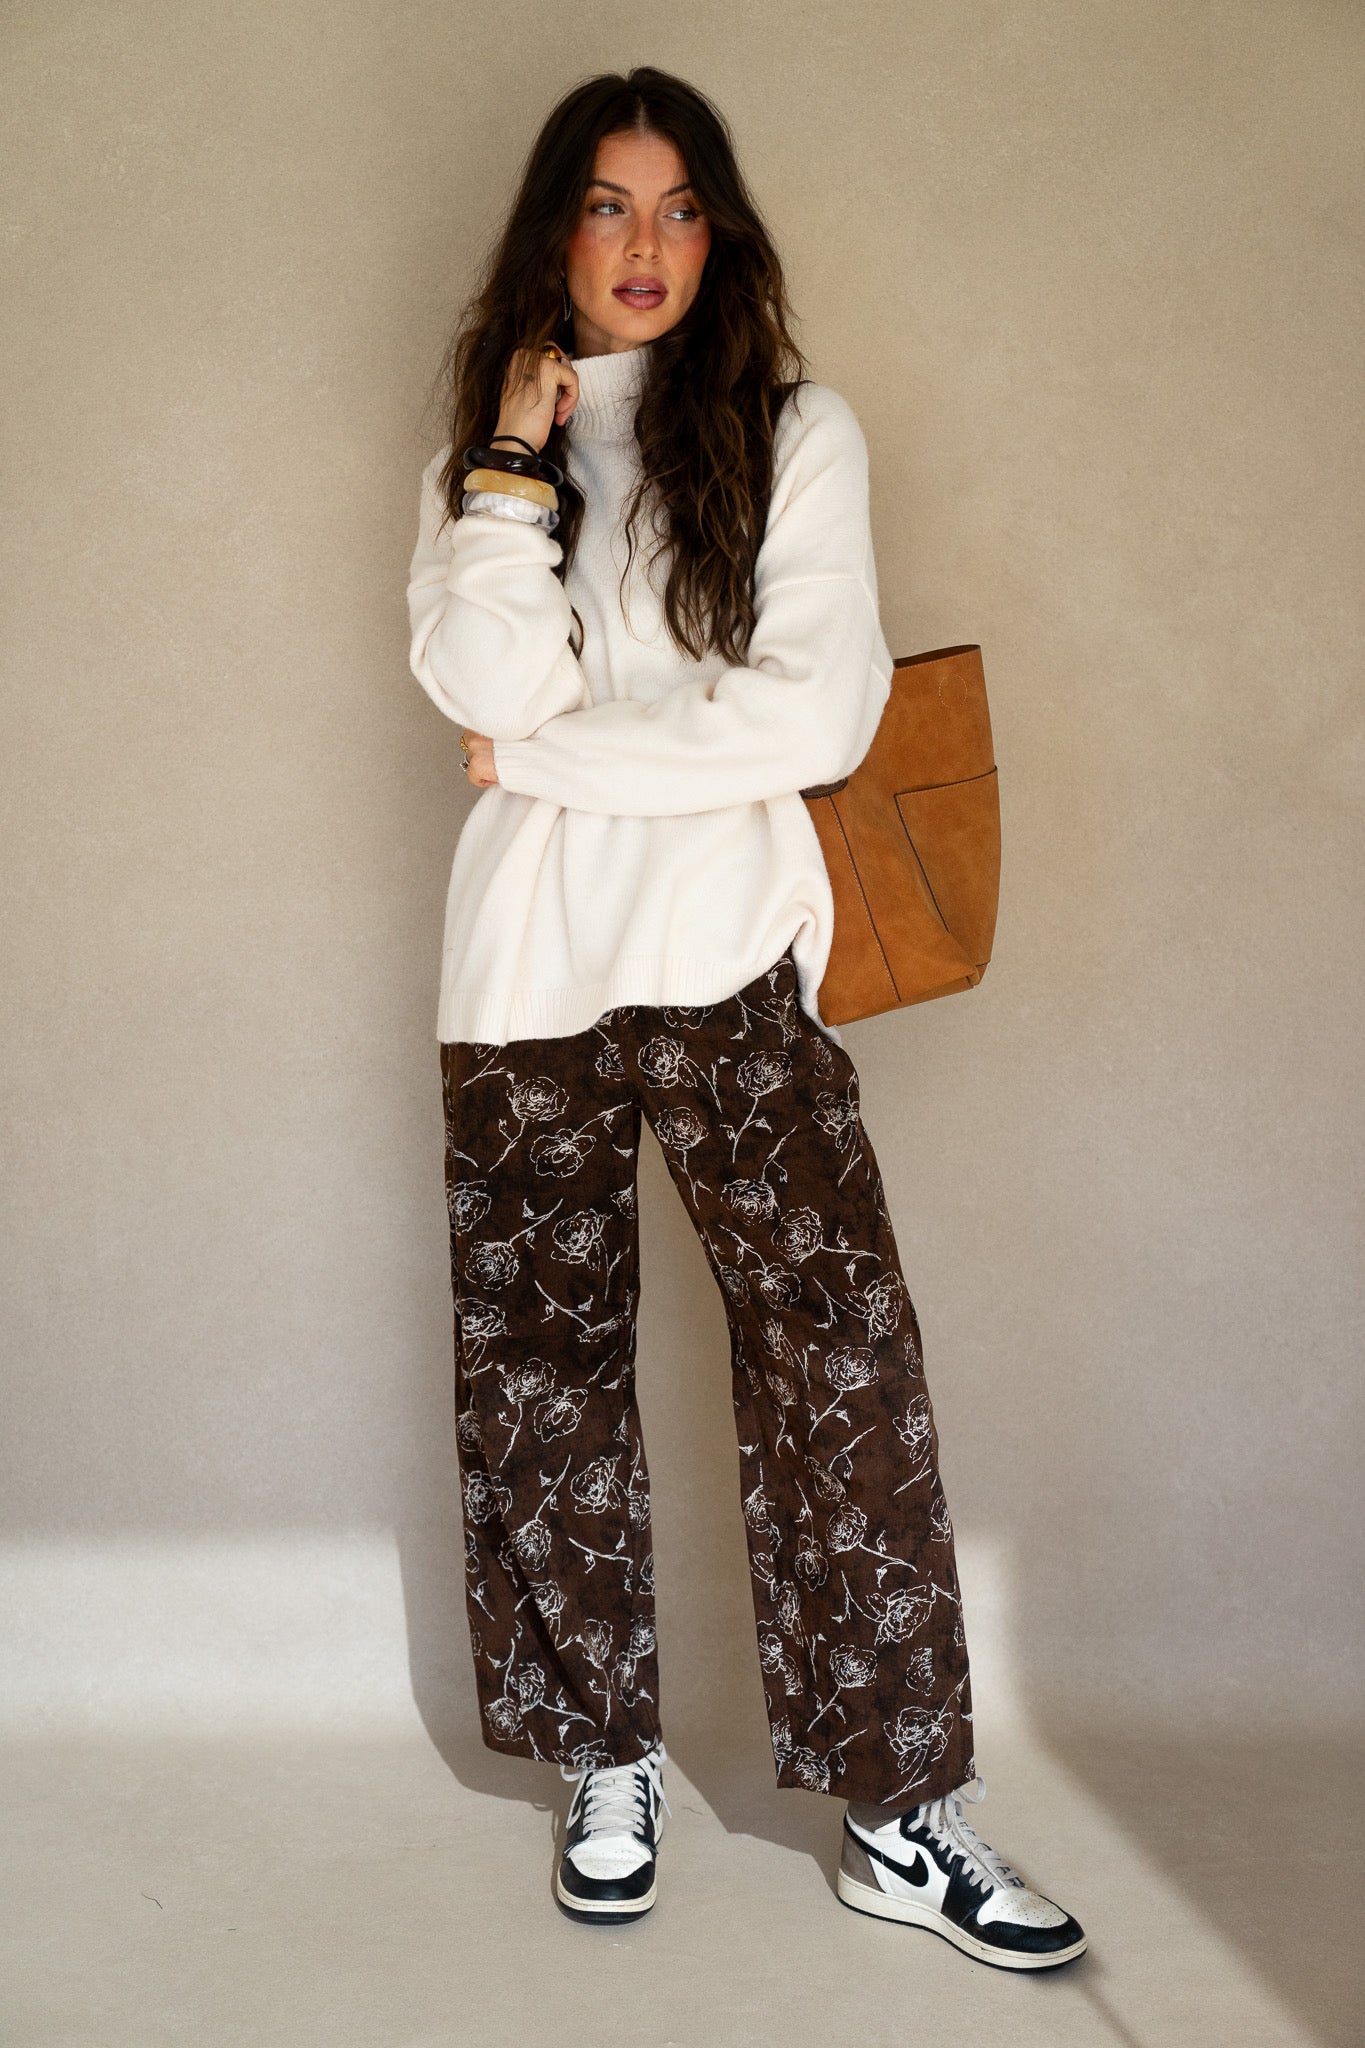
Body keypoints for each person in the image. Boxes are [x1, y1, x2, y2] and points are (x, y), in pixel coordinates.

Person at [406, 66, 1085, 1971]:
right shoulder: (486, 455)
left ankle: (899, 1813)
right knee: (539, 1376)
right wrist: (511, 460)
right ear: (554, 231)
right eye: (607, 205)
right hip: (520, 970)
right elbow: (475, 676)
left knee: (839, 1362)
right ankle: (601, 1762)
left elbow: (814, 715)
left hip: (731, 959)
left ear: (721, 233)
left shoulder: (797, 431)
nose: (646, 244)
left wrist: (549, 759)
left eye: (681, 206)